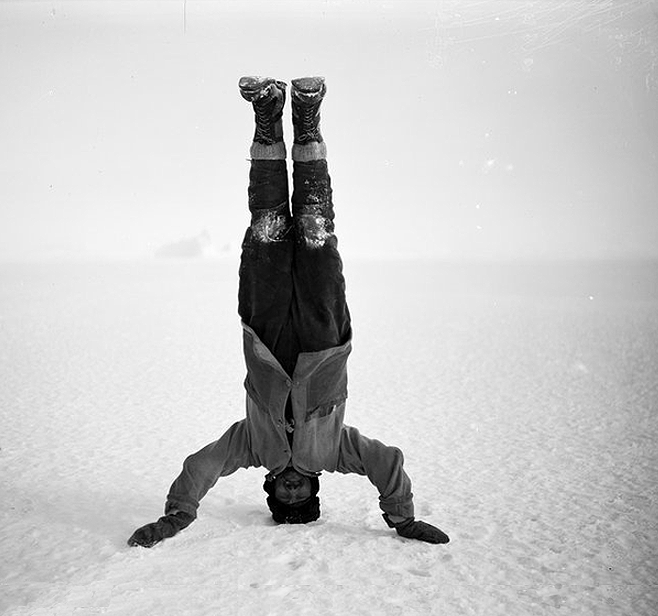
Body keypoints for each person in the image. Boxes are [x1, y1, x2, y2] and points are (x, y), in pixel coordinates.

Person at [128, 76, 449, 548]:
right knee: (316, 230)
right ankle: (308, 121)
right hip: (324, 341)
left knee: (268, 226)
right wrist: (402, 518)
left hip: (268, 336)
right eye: (301, 496)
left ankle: (266, 117)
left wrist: (178, 514)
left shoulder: (252, 446)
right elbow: (387, 462)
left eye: (285, 497)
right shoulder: (335, 452)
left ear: (271, 489)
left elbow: (202, 465)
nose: (293, 490)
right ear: (315, 487)